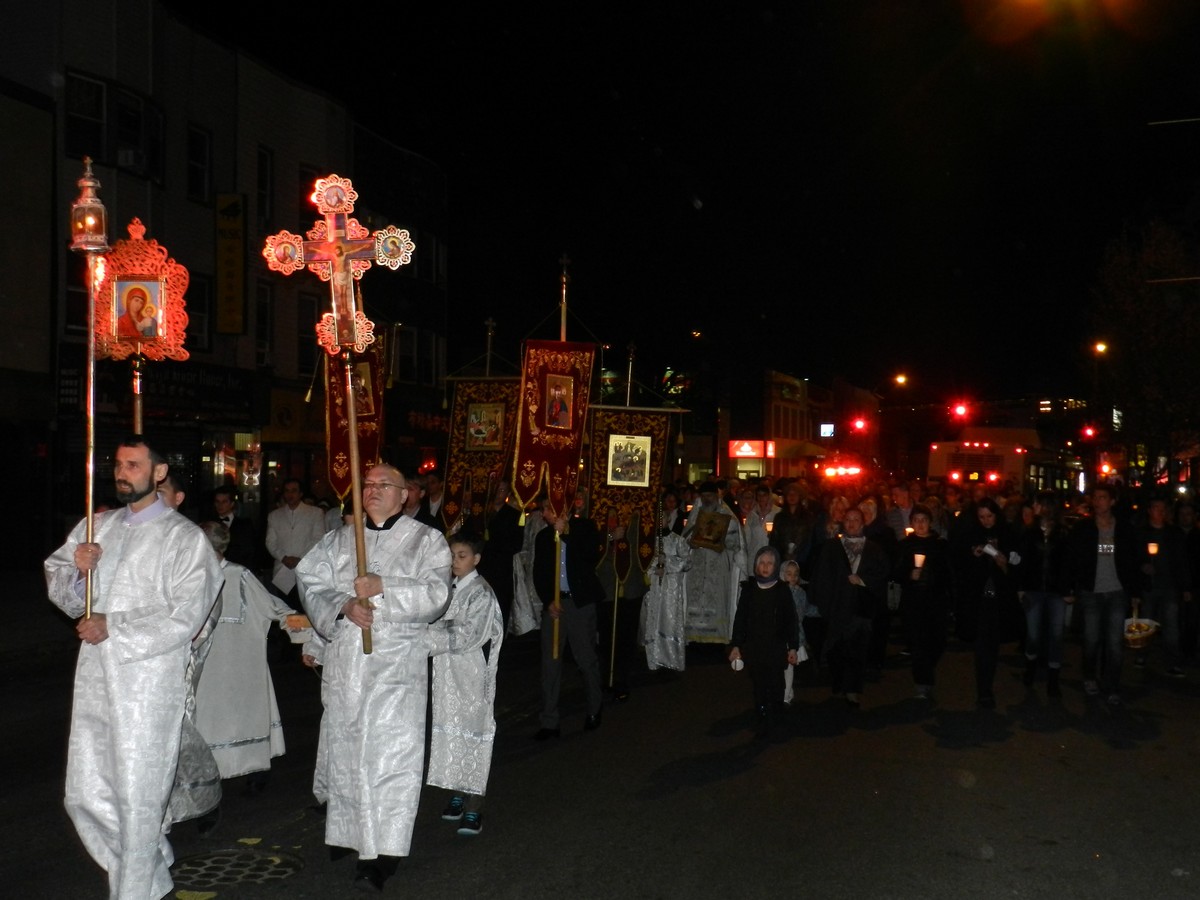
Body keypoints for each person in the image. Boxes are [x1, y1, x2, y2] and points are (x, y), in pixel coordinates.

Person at [44, 436, 222, 900]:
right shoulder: (97, 525)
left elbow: (187, 616)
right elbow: (67, 599)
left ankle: (135, 890)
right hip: (97, 675)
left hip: (148, 681)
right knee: (84, 793)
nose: (123, 472)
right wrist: (78, 572)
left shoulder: (185, 539)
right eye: (119, 464)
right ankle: (152, 868)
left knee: (137, 796)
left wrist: (115, 627)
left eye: (134, 465)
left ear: (159, 473)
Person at [295, 463, 451, 892]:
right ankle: (347, 832)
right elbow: (309, 579)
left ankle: (384, 849)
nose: (373, 490)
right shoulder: (342, 539)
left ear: (406, 495)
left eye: (385, 485)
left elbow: (436, 596)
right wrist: (344, 604)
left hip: (396, 667)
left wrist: (384, 588)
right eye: (368, 484)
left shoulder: (428, 541)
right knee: (346, 749)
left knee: (389, 756)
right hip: (348, 663)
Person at [194, 521, 298, 800]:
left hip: (242, 663)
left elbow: (274, 608)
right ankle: (210, 776)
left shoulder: (239, 576)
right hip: (207, 667)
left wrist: (303, 628)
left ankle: (255, 770)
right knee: (209, 719)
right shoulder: (190, 577)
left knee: (246, 714)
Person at [425, 532, 504, 837]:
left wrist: (426, 638)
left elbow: (471, 633)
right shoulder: (448, 587)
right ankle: (456, 792)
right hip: (446, 672)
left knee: (474, 732)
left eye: (461, 556)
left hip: (470, 670)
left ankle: (474, 806)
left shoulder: (481, 593)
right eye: (452, 555)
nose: (454, 561)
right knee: (450, 731)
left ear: (476, 559)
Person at [532, 491, 605, 739]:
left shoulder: (584, 528)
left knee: (585, 659)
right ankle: (549, 720)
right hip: (555, 605)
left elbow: (590, 556)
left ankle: (594, 707)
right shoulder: (543, 538)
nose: (543, 514)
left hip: (579, 604)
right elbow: (539, 573)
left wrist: (566, 533)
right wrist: (547, 600)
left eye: (546, 509)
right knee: (550, 663)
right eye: (542, 509)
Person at [1065, 483, 1139, 706]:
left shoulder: (1124, 529)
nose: (1098, 502)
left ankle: (1112, 684)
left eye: (1103, 497)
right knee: (1091, 639)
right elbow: (1073, 559)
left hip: (1116, 591)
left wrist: (1135, 591)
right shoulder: (1084, 528)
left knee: (1115, 642)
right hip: (1092, 592)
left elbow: (1131, 561)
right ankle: (1089, 676)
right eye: (1095, 497)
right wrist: (1069, 587)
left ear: (1112, 501)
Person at [809, 507, 889, 707]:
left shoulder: (873, 549)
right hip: (837, 607)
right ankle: (838, 684)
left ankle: (852, 689)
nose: (852, 523)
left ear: (863, 523)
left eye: (856, 520)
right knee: (836, 649)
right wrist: (824, 604)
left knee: (857, 650)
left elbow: (882, 573)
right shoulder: (831, 547)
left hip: (861, 608)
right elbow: (821, 577)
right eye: (848, 520)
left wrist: (862, 580)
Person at [957, 497, 1020, 709]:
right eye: (981, 517)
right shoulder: (971, 534)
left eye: (989, 516)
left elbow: (1016, 566)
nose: (986, 521)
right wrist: (973, 556)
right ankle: (984, 690)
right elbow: (962, 567)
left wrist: (1004, 562)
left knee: (992, 645)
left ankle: (988, 685)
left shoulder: (1007, 533)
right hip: (979, 600)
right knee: (982, 646)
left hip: (999, 599)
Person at [729, 546, 800, 731]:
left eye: (770, 563)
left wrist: (793, 647)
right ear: (756, 565)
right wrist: (736, 645)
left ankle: (776, 713)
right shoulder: (749, 589)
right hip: (755, 647)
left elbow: (790, 619)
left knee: (776, 683)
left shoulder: (782, 590)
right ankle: (761, 713)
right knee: (759, 683)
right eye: (761, 562)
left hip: (775, 647)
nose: (765, 566)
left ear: (776, 566)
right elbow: (741, 618)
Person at [893, 505, 952, 700]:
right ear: (911, 523)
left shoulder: (940, 545)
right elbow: (896, 571)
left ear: (930, 522)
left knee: (938, 641)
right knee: (918, 643)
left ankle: (926, 670)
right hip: (913, 601)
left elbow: (949, 572)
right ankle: (922, 682)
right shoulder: (905, 546)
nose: (920, 524)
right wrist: (909, 574)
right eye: (916, 520)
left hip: (936, 601)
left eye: (924, 520)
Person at [1016, 491, 1071, 697]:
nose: (1034, 507)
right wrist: (1021, 587)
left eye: (1038, 504)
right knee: (1033, 633)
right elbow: (1024, 561)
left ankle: (1053, 678)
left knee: (1056, 635)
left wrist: (1068, 589)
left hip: (1056, 591)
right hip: (1034, 589)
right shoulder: (1030, 532)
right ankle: (1030, 667)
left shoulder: (1063, 533)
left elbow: (1068, 564)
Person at [682, 481, 745, 643]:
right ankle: (695, 638)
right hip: (697, 565)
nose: (707, 499)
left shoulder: (728, 516)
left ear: (716, 496)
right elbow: (685, 538)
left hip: (718, 565)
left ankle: (715, 641)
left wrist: (723, 542)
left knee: (716, 600)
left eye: (710, 496)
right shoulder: (695, 514)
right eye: (703, 497)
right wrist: (690, 543)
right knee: (695, 600)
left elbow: (736, 544)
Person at [1134, 496, 1191, 677]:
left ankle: (1173, 661)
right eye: (1156, 508)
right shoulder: (1141, 533)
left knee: (1171, 626)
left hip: (1169, 586)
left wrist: (1185, 587)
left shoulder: (1173, 534)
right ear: (1150, 511)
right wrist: (1143, 566)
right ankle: (1142, 655)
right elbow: (1132, 558)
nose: (1160, 512)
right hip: (1149, 587)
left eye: (1163, 508)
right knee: (1146, 623)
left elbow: (1182, 562)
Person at [265, 478, 326, 603]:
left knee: (306, 609)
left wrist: (301, 558)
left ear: (300, 494)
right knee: (284, 610)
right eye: (287, 491)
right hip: (282, 570)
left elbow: (318, 539)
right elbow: (270, 542)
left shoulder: (315, 513)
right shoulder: (275, 515)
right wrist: (283, 557)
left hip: (306, 570)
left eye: (294, 491)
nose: (290, 494)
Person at [213, 485, 257, 569]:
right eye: (217, 501)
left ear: (232, 504)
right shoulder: (210, 524)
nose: (220, 505)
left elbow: (249, 552)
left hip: (236, 570)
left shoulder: (245, 525)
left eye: (224, 501)